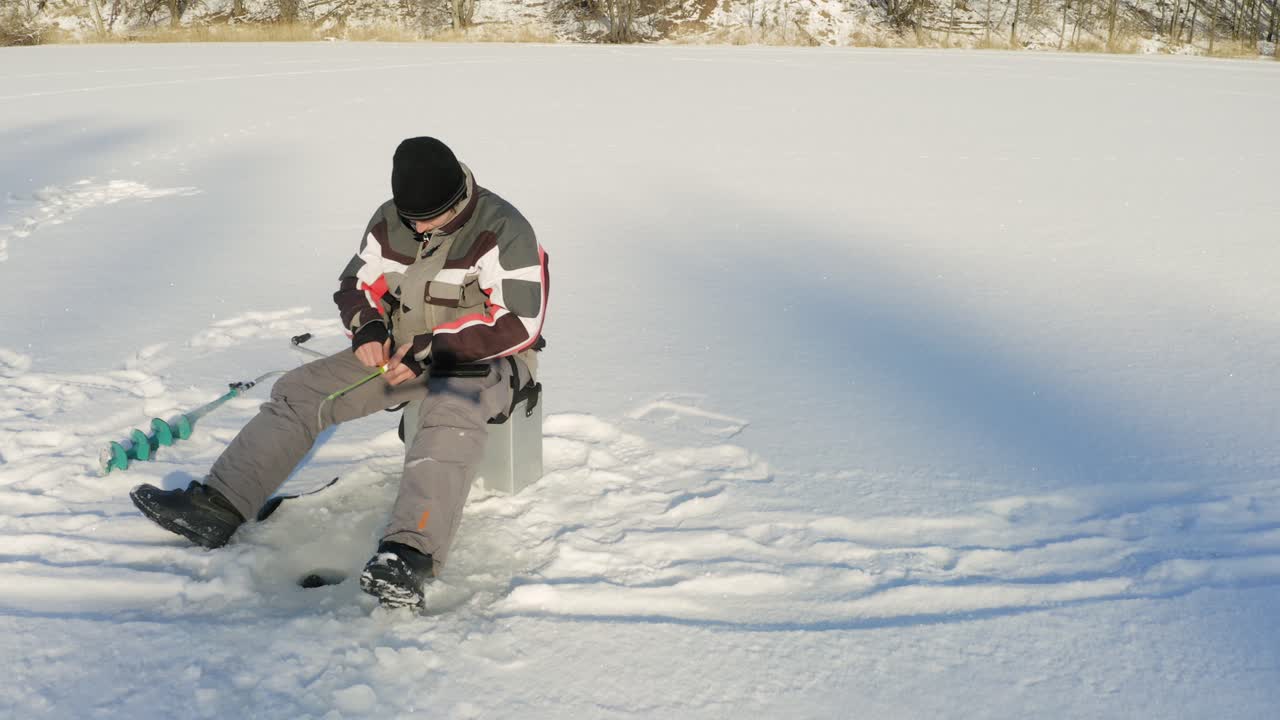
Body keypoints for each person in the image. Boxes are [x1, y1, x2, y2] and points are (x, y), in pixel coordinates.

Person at [129, 137, 550, 608]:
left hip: (487, 360)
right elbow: (356, 283)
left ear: (460, 198)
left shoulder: (503, 228)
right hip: (400, 352)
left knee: (448, 409)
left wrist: (433, 348)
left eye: (433, 216)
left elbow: (520, 322)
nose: (422, 226)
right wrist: (367, 326)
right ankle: (220, 505)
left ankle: (409, 554)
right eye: (415, 218)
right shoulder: (391, 220)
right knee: (301, 391)